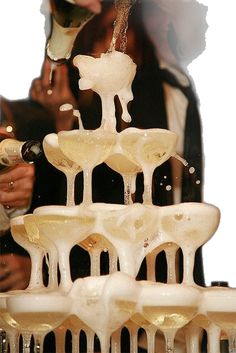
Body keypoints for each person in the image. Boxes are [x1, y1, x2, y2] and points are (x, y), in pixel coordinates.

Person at [1, 0, 208, 351]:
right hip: (76, 306)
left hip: (145, 301)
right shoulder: (52, 115)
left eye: (119, 29)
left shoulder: (157, 98)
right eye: (102, 30)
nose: (110, 44)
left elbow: (172, 203)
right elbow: (47, 208)